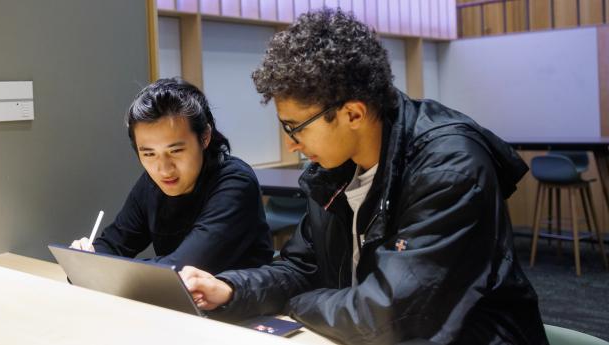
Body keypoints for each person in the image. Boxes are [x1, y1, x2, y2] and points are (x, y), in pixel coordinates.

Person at [180, 9, 548, 344]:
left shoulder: (449, 166)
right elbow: (302, 267)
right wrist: (231, 288)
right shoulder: (333, 171)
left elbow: (389, 314)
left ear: (353, 114)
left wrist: (297, 304)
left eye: (295, 127)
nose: (291, 145)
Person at [71, 77, 273, 274]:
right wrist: (86, 256)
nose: (164, 169)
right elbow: (114, 243)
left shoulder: (235, 182)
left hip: (240, 305)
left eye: (175, 151)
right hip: (175, 303)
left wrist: (100, 267)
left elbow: (182, 267)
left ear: (204, 137)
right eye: (149, 154)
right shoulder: (151, 184)